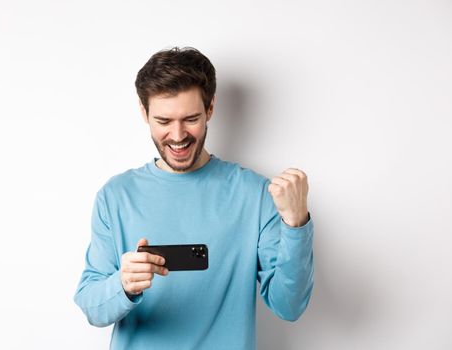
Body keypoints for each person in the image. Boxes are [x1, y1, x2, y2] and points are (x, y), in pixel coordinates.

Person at [73, 46, 314, 350]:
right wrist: (123, 284)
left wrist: (296, 224)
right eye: (163, 121)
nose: (177, 135)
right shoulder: (116, 195)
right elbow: (92, 307)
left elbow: (289, 306)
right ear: (144, 113)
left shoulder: (255, 194)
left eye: (191, 119)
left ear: (210, 108)